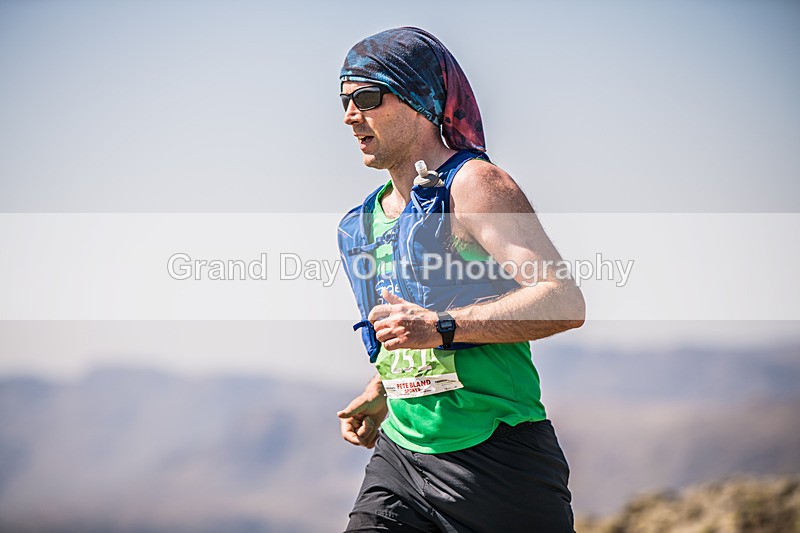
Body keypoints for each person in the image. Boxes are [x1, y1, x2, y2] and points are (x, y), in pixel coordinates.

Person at [335, 27, 586, 533]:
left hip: (498, 459)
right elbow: (410, 321)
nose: (350, 116)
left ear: (418, 97)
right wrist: (383, 387)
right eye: (344, 101)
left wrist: (441, 327)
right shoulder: (363, 221)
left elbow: (563, 301)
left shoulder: (474, 185)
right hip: (401, 457)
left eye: (367, 98)